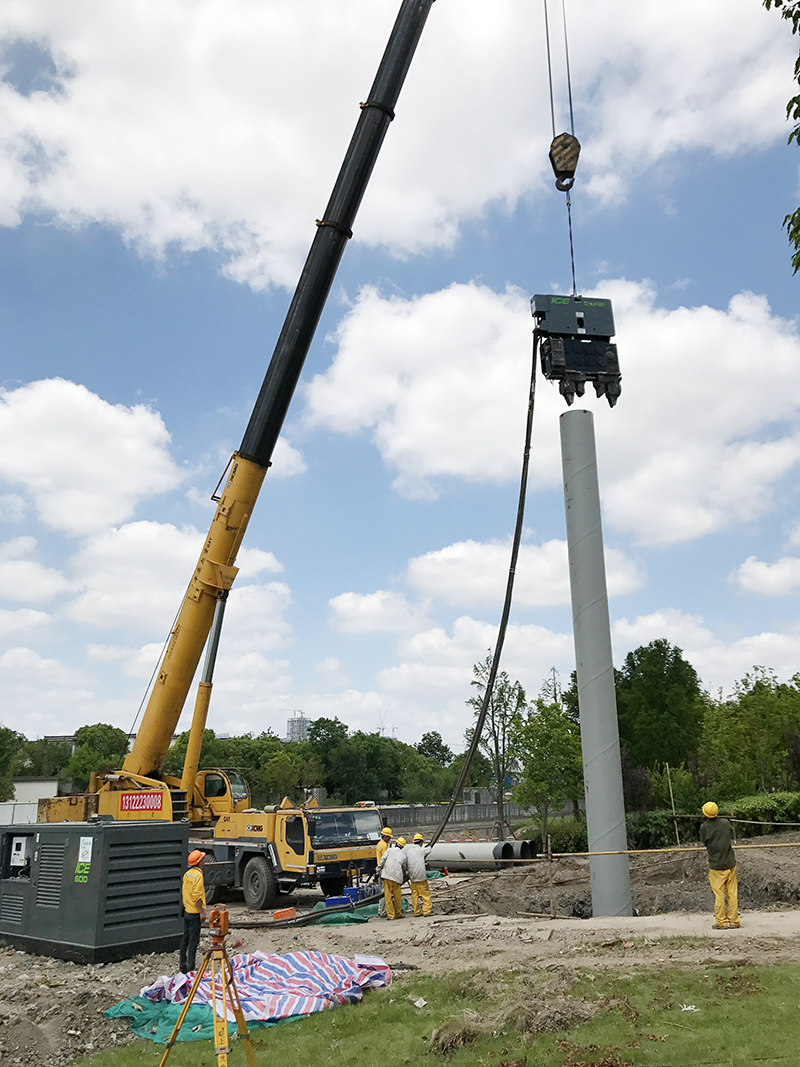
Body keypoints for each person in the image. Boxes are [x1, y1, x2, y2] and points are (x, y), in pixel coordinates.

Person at [699, 801, 740, 929]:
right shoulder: (725, 823)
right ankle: (734, 920)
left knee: (719, 894)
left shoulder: (704, 827)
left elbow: (704, 842)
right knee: (732, 893)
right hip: (730, 863)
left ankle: (721, 921)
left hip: (716, 866)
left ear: (705, 813)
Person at [179, 849, 207, 973]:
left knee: (185, 939)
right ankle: (191, 968)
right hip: (195, 912)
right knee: (193, 942)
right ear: (199, 862)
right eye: (202, 859)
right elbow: (197, 896)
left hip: (187, 911)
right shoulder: (198, 875)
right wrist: (201, 912)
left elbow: (185, 893)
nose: (204, 860)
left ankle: (182, 967)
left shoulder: (187, 874)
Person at [377, 834, 407, 920]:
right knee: (397, 896)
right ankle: (398, 913)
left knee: (388, 896)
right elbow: (404, 867)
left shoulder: (389, 850)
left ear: (396, 843)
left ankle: (390, 915)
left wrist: (378, 869)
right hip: (397, 878)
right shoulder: (402, 855)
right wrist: (405, 874)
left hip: (387, 876)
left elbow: (382, 861)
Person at [403, 833, 432, 917]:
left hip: (412, 877)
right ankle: (426, 911)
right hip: (421, 876)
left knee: (414, 895)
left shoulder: (409, 851)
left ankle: (416, 911)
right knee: (425, 894)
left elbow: (406, 864)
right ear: (421, 842)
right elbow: (428, 850)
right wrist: (429, 846)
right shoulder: (421, 850)